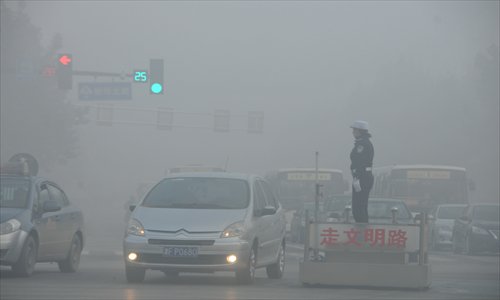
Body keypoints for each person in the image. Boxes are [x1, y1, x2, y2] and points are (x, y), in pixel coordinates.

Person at [350, 120, 374, 223]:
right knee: (357, 206)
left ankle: (362, 229)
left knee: (359, 206)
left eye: (354, 130)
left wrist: (357, 174)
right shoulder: (361, 143)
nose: (353, 132)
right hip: (360, 176)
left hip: (363, 177)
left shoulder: (363, 144)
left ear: (360, 131)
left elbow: (360, 161)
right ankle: (361, 225)